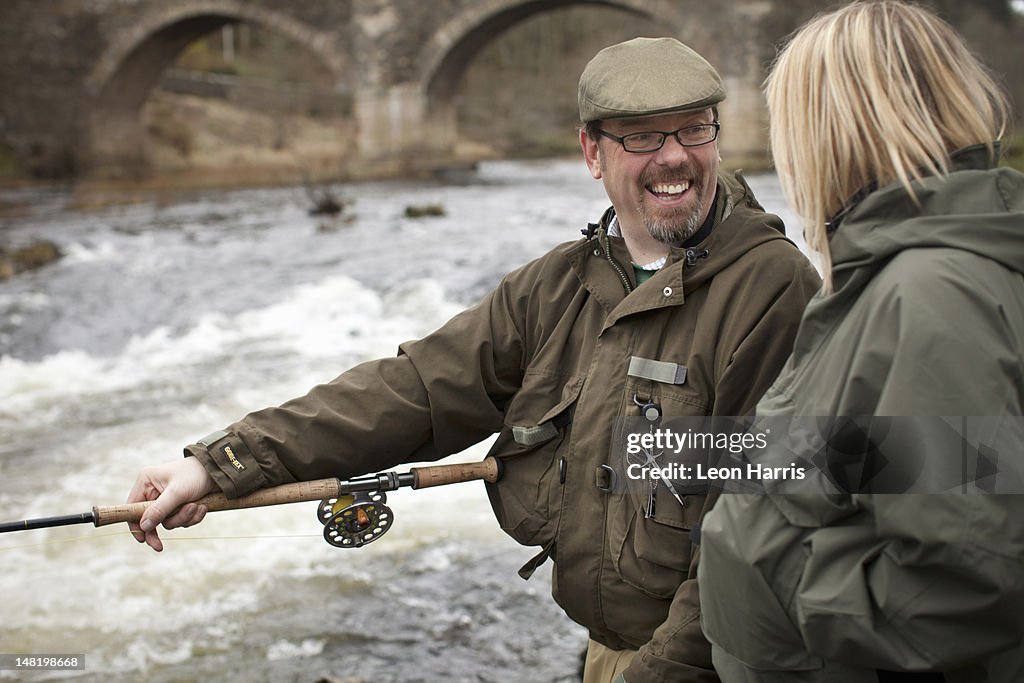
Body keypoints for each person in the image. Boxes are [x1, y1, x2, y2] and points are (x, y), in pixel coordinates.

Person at [128, 37, 820, 682]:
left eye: (694, 129)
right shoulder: (560, 282)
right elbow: (417, 388)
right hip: (610, 653)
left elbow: (750, 543)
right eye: (642, 136)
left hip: (714, 661)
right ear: (592, 151)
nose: (674, 156)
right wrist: (218, 463)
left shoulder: (772, 288)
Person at [698, 2, 1024, 682]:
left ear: (832, 130)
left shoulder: (930, 294)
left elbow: (959, 588)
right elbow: (877, 460)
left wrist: (768, 569)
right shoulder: (894, 277)